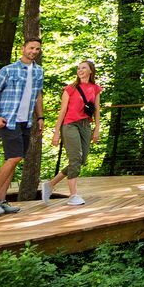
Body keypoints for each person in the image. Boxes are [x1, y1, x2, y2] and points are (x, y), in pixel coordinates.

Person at [0, 37, 44, 217]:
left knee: (14, 159)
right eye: (31, 48)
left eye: (37, 49)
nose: (34, 51)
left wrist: (40, 117)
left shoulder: (38, 71)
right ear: (23, 48)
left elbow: (38, 95)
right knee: (14, 157)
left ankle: (1, 200)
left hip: (26, 121)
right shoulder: (8, 70)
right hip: (8, 120)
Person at [43, 59, 102, 205]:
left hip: (85, 126)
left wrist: (97, 129)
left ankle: (50, 184)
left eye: (83, 68)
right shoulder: (70, 89)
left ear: (90, 71)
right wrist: (56, 132)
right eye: (78, 68)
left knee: (81, 160)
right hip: (70, 125)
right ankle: (73, 195)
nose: (80, 70)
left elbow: (97, 110)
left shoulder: (95, 88)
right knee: (75, 159)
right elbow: (62, 111)